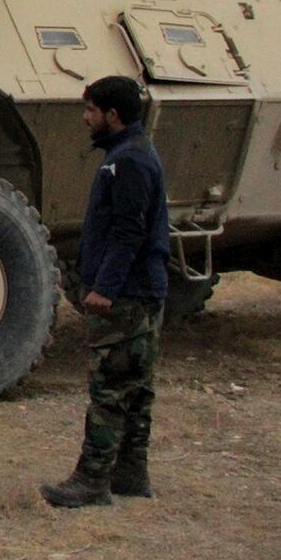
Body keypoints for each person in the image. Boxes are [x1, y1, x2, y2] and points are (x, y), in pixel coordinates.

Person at [42, 76, 170, 508]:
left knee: (111, 387)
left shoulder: (129, 160)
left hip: (128, 294)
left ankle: (92, 479)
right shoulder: (131, 153)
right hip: (142, 290)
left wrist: (105, 288)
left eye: (92, 111)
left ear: (112, 115)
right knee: (136, 386)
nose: (86, 118)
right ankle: (131, 474)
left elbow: (128, 231)